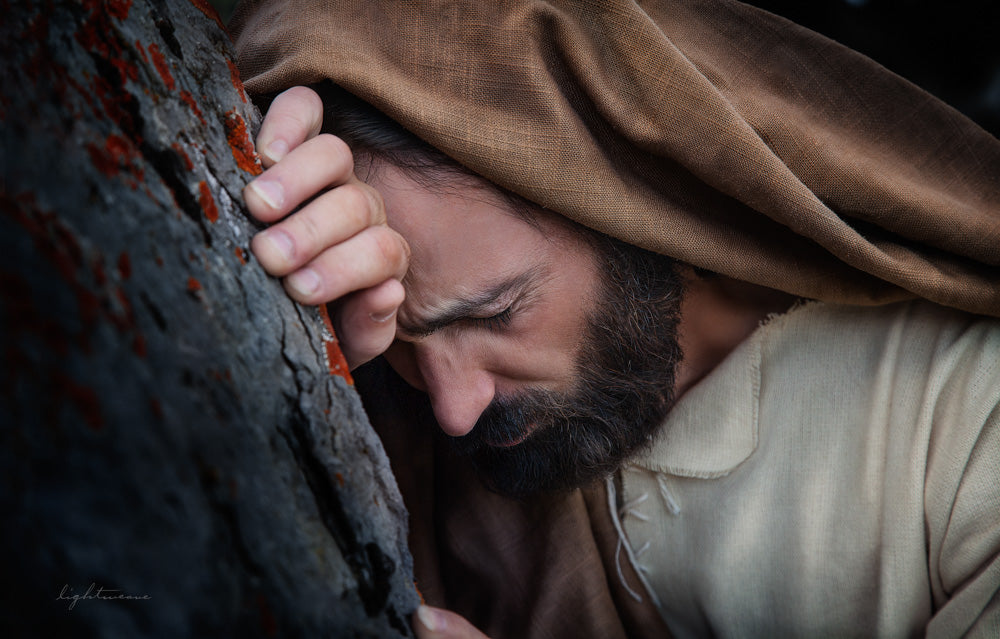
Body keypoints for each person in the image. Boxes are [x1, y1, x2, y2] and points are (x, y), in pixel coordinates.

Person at [230, 1, 1000, 637]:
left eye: (499, 311)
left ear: (639, 202)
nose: (454, 409)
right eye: (406, 338)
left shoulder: (970, 419)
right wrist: (342, 363)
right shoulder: (413, 419)